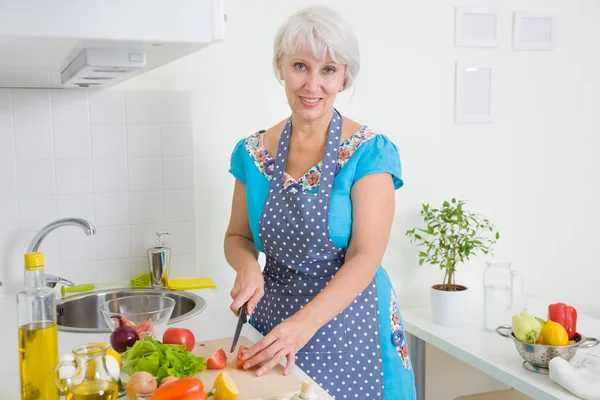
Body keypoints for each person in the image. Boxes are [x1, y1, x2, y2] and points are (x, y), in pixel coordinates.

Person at [224, 6, 416, 399]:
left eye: (328, 70)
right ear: (280, 67)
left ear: (345, 76)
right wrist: (247, 266)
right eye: (300, 66)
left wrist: (305, 324)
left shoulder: (369, 152)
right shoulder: (252, 153)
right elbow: (237, 235)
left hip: (352, 328)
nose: (312, 85)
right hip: (274, 326)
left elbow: (365, 256)